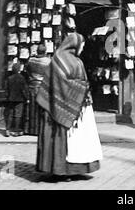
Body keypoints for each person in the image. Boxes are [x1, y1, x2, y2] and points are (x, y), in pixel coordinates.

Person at [36, 33, 103, 181]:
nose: (83, 48)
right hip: (60, 105)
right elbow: (58, 83)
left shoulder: (62, 60)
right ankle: (62, 170)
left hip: (71, 105)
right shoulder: (61, 60)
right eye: (82, 44)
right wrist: (82, 89)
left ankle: (68, 169)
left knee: (72, 140)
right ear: (74, 44)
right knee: (66, 138)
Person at [24, 44, 51, 136]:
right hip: (43, 87)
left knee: (31, 108)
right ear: (45, 51)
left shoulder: (31, 60)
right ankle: (40, 129)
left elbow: (26, 71)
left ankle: (30, 129)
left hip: (31, 86)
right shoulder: (48, 61)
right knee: (41, 108)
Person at [5, 63, 29, 137]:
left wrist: (8, 97)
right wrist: (27, 98)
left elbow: (7, 90)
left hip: (11, 99)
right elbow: (24, 90)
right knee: (18, 115)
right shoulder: (22, 78)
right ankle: (16, 130)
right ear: (19, 69)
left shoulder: (9, 78)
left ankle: (8, 130)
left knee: (10, 114)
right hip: (20, 99)